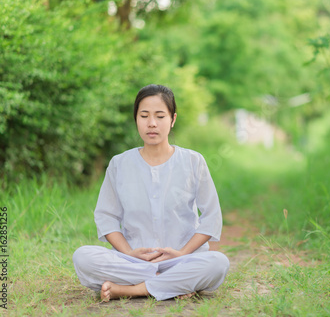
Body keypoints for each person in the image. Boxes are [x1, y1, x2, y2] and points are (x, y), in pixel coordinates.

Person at [72, 84, 230, 301]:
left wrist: (182, 253)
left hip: (182, 260)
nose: (152, 123)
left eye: (160, 116)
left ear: (173, 119)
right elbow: (106, 216)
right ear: (135, 118)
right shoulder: (120, 164)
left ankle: (132, 290)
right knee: (83, 257)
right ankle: (174, 284)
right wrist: (128, 253)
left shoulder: (193, 161)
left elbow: (211, 217)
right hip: (134, 263)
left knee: (218, 263)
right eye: (144, 115)